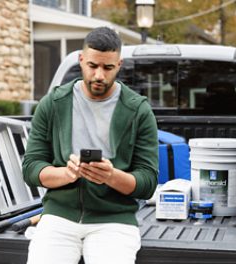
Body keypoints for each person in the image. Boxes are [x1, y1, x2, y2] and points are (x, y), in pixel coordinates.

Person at [22, 27, 158, 264]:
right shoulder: (53, 104)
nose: (99, 76)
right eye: (93, 66)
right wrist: (67, 173)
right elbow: (31, 168)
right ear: (81, 60)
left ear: (119, 64)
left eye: (108, 68)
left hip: (114, 221)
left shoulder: (138, 110)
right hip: (59, 217)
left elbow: (147, 182)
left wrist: (110, 176)